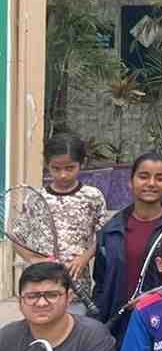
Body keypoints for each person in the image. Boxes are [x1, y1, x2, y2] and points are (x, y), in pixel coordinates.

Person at [10, 134, 106, 316]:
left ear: (81, 164)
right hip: (41, 287)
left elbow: (103, 236)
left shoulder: (92, 196)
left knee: (74, 336)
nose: (63, 174)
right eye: (56, 168)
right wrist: (33, 259)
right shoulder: (35, 198)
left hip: (76, 290)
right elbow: (17, 237)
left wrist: (84, 258)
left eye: (70, 168)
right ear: (47, 165)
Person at [92, 152, 162, 329]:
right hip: (117, 328)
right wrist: (97, 323)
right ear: (130, 182)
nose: (151, 183)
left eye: (160, 178)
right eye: (143, 176)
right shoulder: (111, 230)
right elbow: (101, 283)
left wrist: (157, 298)